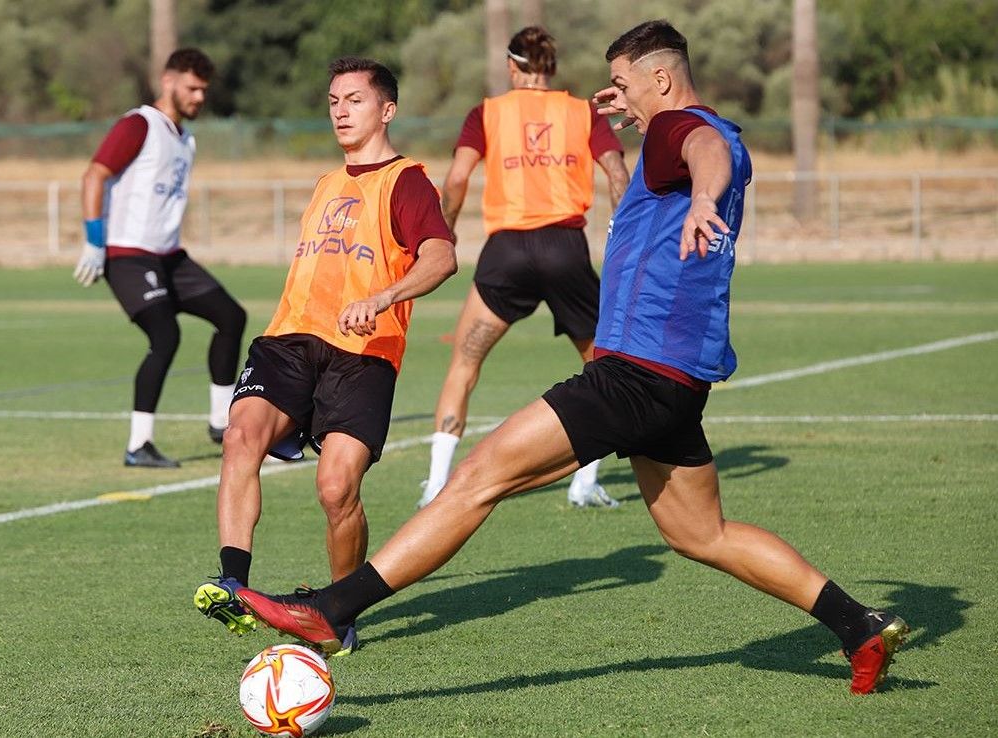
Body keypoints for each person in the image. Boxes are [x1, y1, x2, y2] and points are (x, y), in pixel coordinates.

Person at [232, 21, 909, 696]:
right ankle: (857, 625)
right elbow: (704, 144)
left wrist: (700, 191)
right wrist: (646, 123)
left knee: (478, 478)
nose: (614, 99)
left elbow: (701, 148)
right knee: (701, 535)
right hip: (675, 381)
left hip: (633, 375)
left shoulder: (684, 130)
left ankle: (332, 608)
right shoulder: (690, 132)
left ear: (663, 80)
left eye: (622, 85)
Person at [192, 56, 458, 655]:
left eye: (354, 100)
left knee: (337, 488)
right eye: (334, 100)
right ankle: (233, 581)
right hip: (290, 339)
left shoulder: (407, 182)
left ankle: (337, 611)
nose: (340, 110)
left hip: (364, 353)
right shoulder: (324, 183)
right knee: (240, 438)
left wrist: (386, 295)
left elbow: (441, 256)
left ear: (386, 109)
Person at [421, 25, 630, 510]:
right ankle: (584, 481)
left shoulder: (487, 112)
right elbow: (618, 174)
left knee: (464, 364)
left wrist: (443, 232)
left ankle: (435, 486)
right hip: (565, 248)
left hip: (506, 252)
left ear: (512, 67)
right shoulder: (581, 111)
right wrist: (623, 240)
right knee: (604, 366)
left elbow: (455, 179)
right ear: (551, 67)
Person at [74, 48, 247, 468]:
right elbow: (95, 175)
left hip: (170, 257)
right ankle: (138, 445)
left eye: (204, 90)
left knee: (231, 317)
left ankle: (222, 422)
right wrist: (95, 241)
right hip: (129, 255)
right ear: (168, 81)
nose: (199, 97)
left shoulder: (185, 139)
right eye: (192, 88)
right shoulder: (139, 125)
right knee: (166, 335)